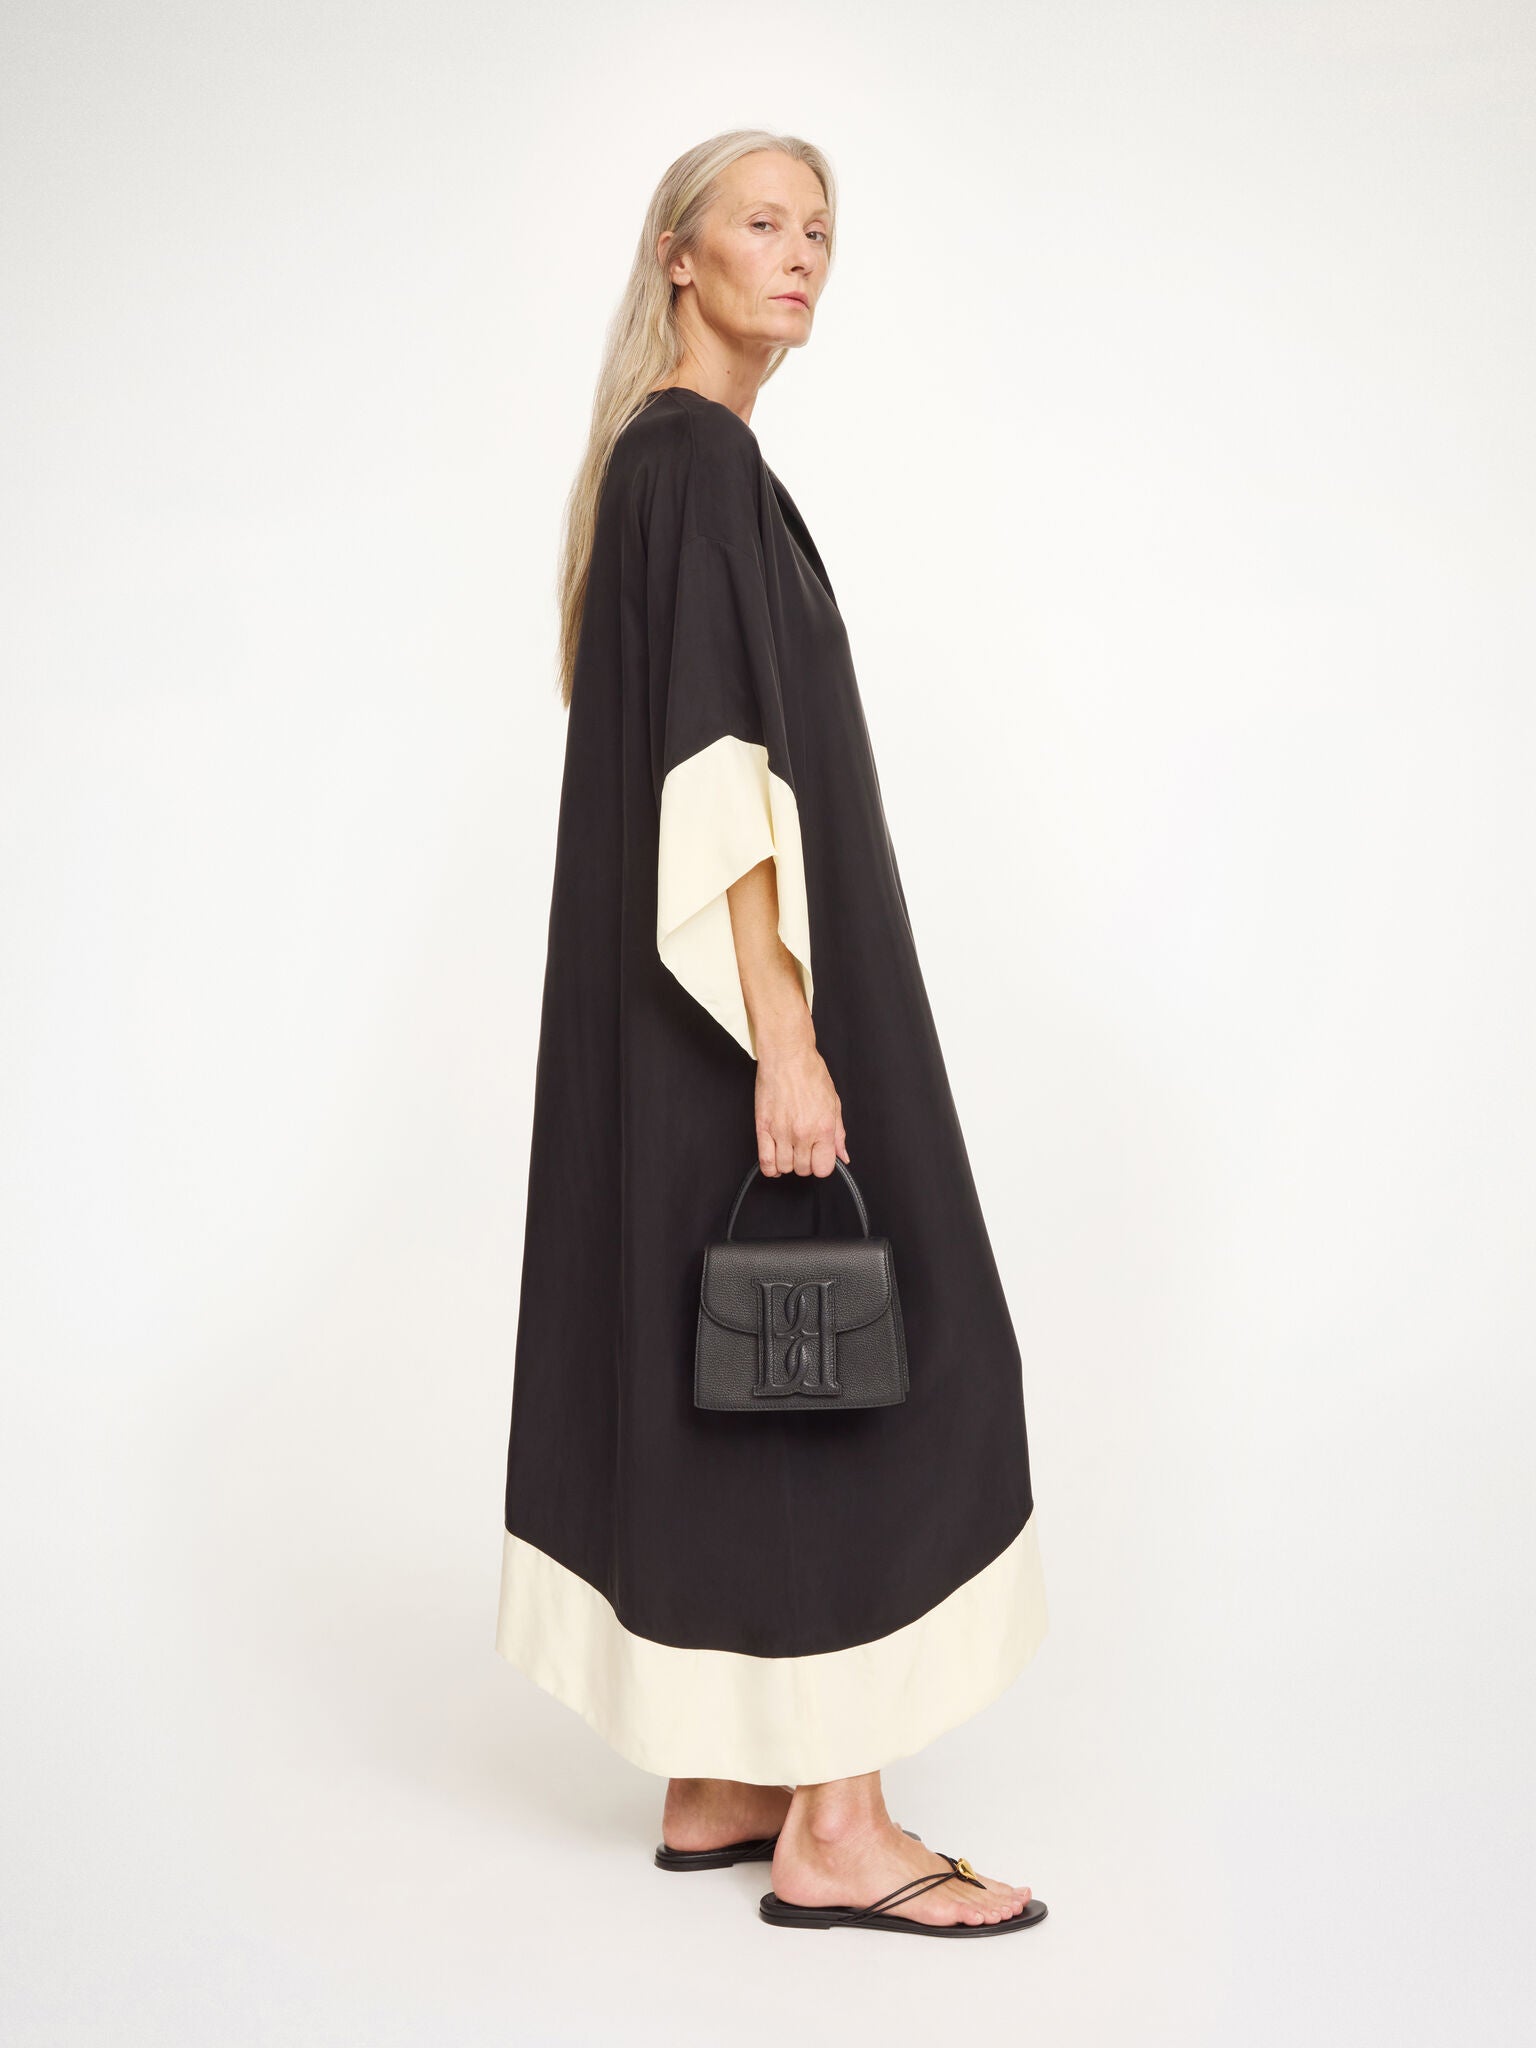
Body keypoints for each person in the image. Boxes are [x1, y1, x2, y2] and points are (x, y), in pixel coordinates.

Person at [496, 129, 1049, 1938]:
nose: (802, 252)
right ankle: (841, 1824)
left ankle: (722, 1778)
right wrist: (788, 1036)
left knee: (733, 1373)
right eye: (763, 221)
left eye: (821, 228)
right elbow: (717, 778)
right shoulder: (702, 464)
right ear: (679, 254)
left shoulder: (656, 467)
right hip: (746, 1025)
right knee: (875, 1374)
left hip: (670, 1049)